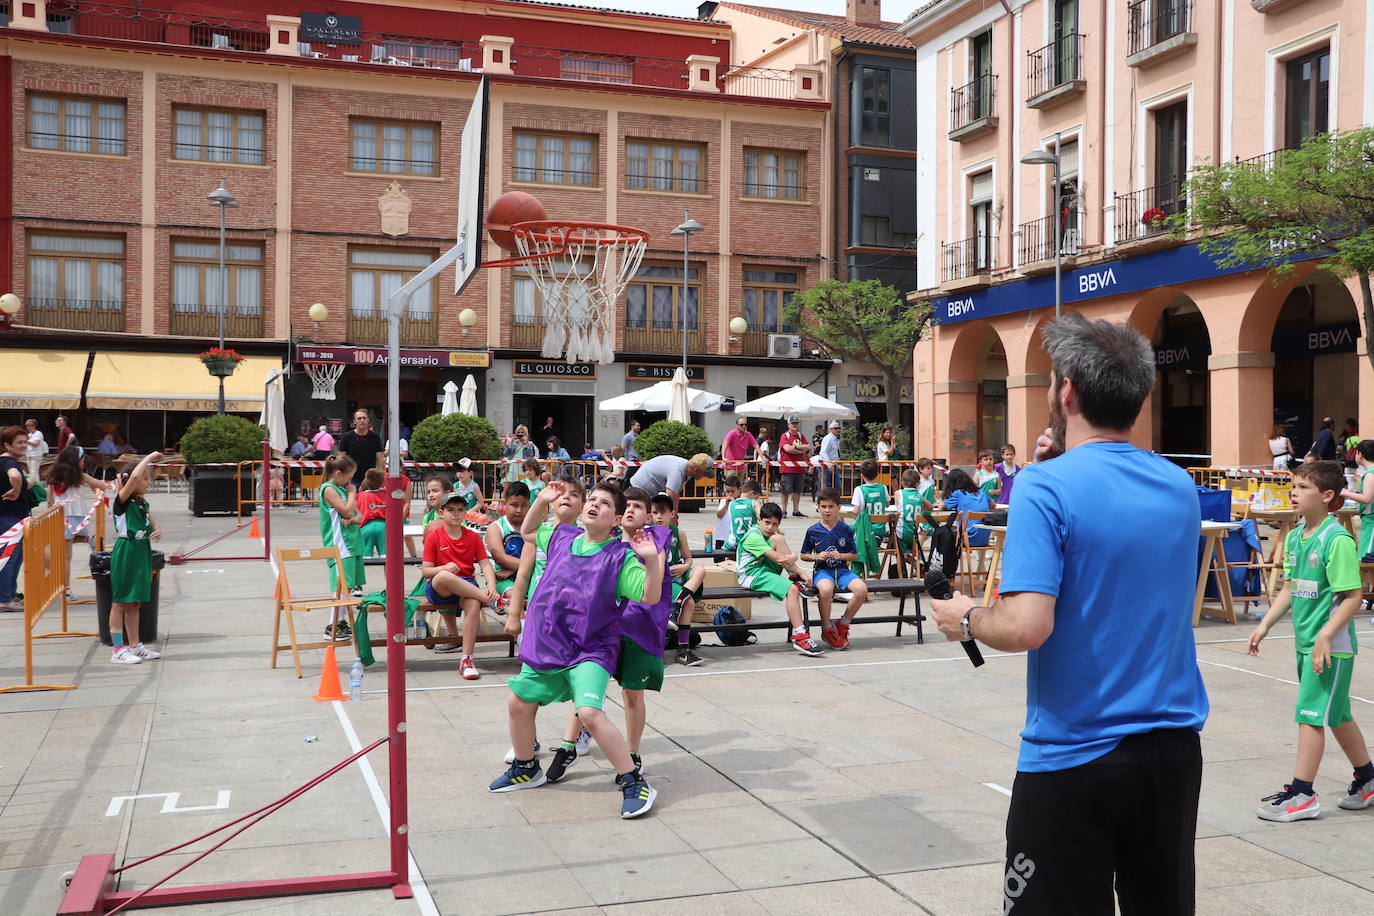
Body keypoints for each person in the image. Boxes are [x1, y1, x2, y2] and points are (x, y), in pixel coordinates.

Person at [929, 312, 1208, 915]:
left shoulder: (1045, 488)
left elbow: (1029, 624)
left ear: (1069, 392)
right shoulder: (1179, 485)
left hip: (1074, 754)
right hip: (1170, 753)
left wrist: (966, 618)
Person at [491, 480, 664, 819]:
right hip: (549, 643)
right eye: (593, 500)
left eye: (604, 504)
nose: (594, 505)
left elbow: (649, 595)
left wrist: (652, 562)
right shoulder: (562, 535)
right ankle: (527, 768)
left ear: (616, 520)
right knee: (518, 703)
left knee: (588, 712)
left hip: (591, 648)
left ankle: (633, 780)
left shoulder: (620, 557)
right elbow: (528, 532)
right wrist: (542, 500)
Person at [1248, 459, 1374, 821]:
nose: (1294, 492)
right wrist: (1265, 626)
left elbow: (1352, 597)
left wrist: (1325, 637)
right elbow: (1290, 587)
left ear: (1327, 496)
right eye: (1294, 486)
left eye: (1303, 487)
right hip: (1307, 643)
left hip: (1330, 647)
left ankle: (1302, 793)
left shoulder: (1336, 540)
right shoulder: (1295, 537)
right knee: (1337, 714)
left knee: (1310, 716)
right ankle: (1367, 779)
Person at [545, 486, 671, 782]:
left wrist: (648, 559)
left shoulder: (654, 541)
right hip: (602, 628)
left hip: (639, 629)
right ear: (616, 516)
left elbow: (651, 585)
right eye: (626, 506)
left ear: (648, 516)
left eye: (638, 507)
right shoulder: (605, 541)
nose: (630, 510)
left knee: (632, 694)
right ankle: (568, 746)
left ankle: (634, 753)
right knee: (585, 687)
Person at [422, 492, 500, 680]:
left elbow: (485, 564)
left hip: (467, 585)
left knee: (473, 604)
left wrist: (492, 586)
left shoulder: (472, 537)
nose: (456, 514)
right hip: (439, 587)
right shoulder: (434, 536)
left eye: (460, 510)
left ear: (465, 512)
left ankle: (467, 658)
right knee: (443, 576)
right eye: (450, 510)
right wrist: (444, 567)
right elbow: (426, 571)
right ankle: (494, 602)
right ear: (441, 513)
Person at [736, 502, 821, 656]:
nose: (770, 527)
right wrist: (796, 559)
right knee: (792, 589)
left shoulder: (772, 534)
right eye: (767, 523)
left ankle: (795, 577)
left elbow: (780, 555)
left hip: (764, 569)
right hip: (751, 574)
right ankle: (800, 636)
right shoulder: (753, 536)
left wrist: (799, 572)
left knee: (778, 539)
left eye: (774, 524)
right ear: (759, 521)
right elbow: (780, 559)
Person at [107, 451, 164, 664]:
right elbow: (131, 478)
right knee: (120, 602)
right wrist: (147, 459)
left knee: (135, 603)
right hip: (126, 552)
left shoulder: (141, 503)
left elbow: (151, 520)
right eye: (145, 479)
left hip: (141, 550)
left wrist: (156, 530)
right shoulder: (121, 501)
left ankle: (135, 645)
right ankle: (118, 649)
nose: (148, 483)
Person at [802, 487, 869, 650]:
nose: (827, 510)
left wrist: (842, 556)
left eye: (831, 506)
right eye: (823, 506)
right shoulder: (813, 530)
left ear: (838, 508)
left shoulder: (846, 529)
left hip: (843, 571)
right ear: (818, 507)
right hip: (823, 571)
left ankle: (843, 623)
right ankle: (826, 629)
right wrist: (816, 556)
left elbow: (854, 555)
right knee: (825, 590)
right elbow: (803, 555)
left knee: (862, 590)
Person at [651, 491, 706, 667]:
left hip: (679, 575)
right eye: (655, 512)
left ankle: (676, 604)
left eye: (663, 512)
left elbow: (688, 558)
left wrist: (684, 566)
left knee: (700, 569)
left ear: (672, 514)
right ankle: (683, 649)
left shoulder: (678, 533)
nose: (659, 516)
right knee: (689, 603)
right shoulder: (647, 534)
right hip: (662, 579)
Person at [45, 446, 106, 600]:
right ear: (76, 461)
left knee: (64, 553)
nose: (83, 463)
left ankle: (66, 588)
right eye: (82, 460)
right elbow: (101, 484)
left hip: (61, 516)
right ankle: (88, 539)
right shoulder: (79, 476)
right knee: (67, 554)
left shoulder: (53, 476)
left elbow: (49, 500)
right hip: (77, 516)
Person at [319, 455, 365, 621]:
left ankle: (341, 622)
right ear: (338, 474)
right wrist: (352, 494)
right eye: (349, 476)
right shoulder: (329, 489)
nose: (350, 481)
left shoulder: (342, 489)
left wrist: (353, 518)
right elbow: (345, 510)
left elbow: (359, 515)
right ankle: (333, 625)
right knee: (341, 585)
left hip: (352, 541)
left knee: (350, 584)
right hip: (340, 543)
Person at [0, 427, 33, 611]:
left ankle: (10, 595)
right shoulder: (8, 462)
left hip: (13, 517)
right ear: (7, 445)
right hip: (9, 518)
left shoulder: (9, 461)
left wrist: (27, 483)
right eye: (19, 442)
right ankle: (4, 599)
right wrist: (17, 489)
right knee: (9, 557)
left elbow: (21, 478)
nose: (24, 445)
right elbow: (14, 475)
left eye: (25, 441)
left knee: (14, 557)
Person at [486, 482, 531, 600]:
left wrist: (512, 568)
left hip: (530, 575)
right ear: (504, 504)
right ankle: (518, 619)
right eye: (514, 505)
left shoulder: (534, 526)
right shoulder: (496, 527)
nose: (519, 510)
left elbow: (543, 555)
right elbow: (501, 558)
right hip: (504, 580)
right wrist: (530, 566)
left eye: (524, 505)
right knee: (516, 596)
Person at [628, 453, 713, 511]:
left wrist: (675, 516)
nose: (704, 477)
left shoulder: (686, 470)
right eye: (704, 474)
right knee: (650, 522)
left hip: (648, 490)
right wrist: (672, 520)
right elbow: (669, 500)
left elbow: (675, 495)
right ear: (696, 470)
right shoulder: (677, 471)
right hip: (640, 490)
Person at [777, 415, 812, 517]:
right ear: (788, 425)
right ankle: (784, 510)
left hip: (799, 468)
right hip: (787, 468)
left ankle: (796, 510)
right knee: (785, 491)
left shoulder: (801, 436)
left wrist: (795, 448)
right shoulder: (785, 436)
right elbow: (787, 449)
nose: (795, 425)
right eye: (793, 423)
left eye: (796, 423)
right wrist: (801, 450)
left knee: (797, 490)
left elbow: (808, 447)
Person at [338, 409, 384, 486]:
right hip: (351, 478)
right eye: (359, 418)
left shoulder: (375, 437)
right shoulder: (346, 437)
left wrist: (381, 477)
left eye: (364, 418)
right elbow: (341, 458)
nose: (362, 421)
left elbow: (380, 458)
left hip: (370, 478)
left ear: (368, 420)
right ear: (354, 421)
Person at [718, 477, 762, 552]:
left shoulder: (732, 504)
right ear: (751, 493)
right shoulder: (754, 503)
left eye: (732, 491)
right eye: (756, 497)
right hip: (747, 542)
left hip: (732, 543)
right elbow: (762, 517)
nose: (730, 494)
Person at [355, 468, 388, 557]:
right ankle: (388, 571)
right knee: (387, 558)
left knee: (366, 558)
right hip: (383, 527)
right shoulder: (385, 495)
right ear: (382, 483)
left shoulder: (359, 496)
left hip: (365, 527)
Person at [817, 420, 842, 492]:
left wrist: (837, 462)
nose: (838, 430)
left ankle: (836, 501)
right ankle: (824, 501)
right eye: (836, 428)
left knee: (837, 486)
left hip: (834, 464)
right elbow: (823, 452)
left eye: (839, 428)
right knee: (826, 485)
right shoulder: (828, 438)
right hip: (827, 465)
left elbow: (835, 452)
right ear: (831, 429)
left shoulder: (836, 438)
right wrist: (829, 464)